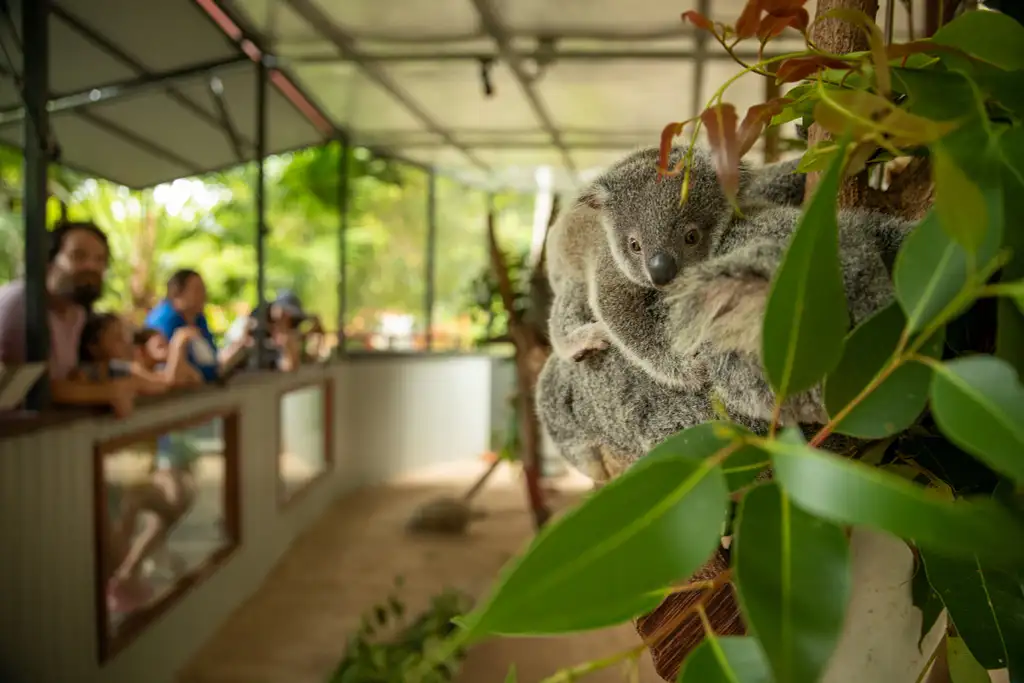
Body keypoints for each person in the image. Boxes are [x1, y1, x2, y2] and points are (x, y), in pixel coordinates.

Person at [0, 220, 135, 415]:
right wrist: (109, 392)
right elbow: (34, 388)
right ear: (49, 262)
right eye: (78, 256)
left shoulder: (76, 312)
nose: (92, 266)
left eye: (100, 260)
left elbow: (66, 378)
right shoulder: (23, 304)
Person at [143, 269, 220, 382]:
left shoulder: (198, 318)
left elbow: (212, 359)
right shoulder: (164, 320)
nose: (204, 295)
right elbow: (169, 364)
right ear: (178, 294)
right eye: (197, 290)